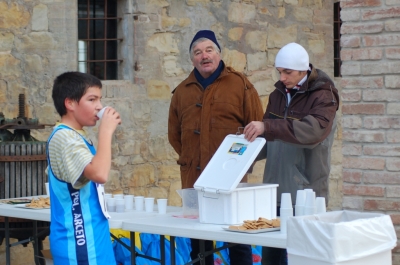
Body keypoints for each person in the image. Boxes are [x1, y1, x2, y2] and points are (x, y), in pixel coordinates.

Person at [168, 30, 264, 265]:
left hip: (231, 177)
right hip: (194, 176)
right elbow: (174, 136)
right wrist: (194, 157)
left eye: (209, 50)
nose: (204, 56)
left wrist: (237, 165)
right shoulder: (181, 92)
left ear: (219, 54)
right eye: (197, 52)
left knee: (237, 235)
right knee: (199, 242)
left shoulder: (240, 84)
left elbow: (255, 125)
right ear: (192, 60)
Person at [244, 42, 340, 265]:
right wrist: (239, 157)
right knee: (271, 258)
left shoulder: (324, 97)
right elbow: (269, 138)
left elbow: (312, 132)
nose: (282, 77)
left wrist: (266, 127)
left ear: (303, 70)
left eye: (287, 72)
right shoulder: (277, 94)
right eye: (279, 71)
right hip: (275, 191)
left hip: (306, 194)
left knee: (304, 257)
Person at [47, 71, 121, 264]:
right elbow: (99, 173)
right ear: (70, 103)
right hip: (79, 243)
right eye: (92, 99)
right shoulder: (64, 138)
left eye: (100, 99)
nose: (99, 106)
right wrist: (105, 131)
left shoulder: (76, 135)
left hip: (95, 239)